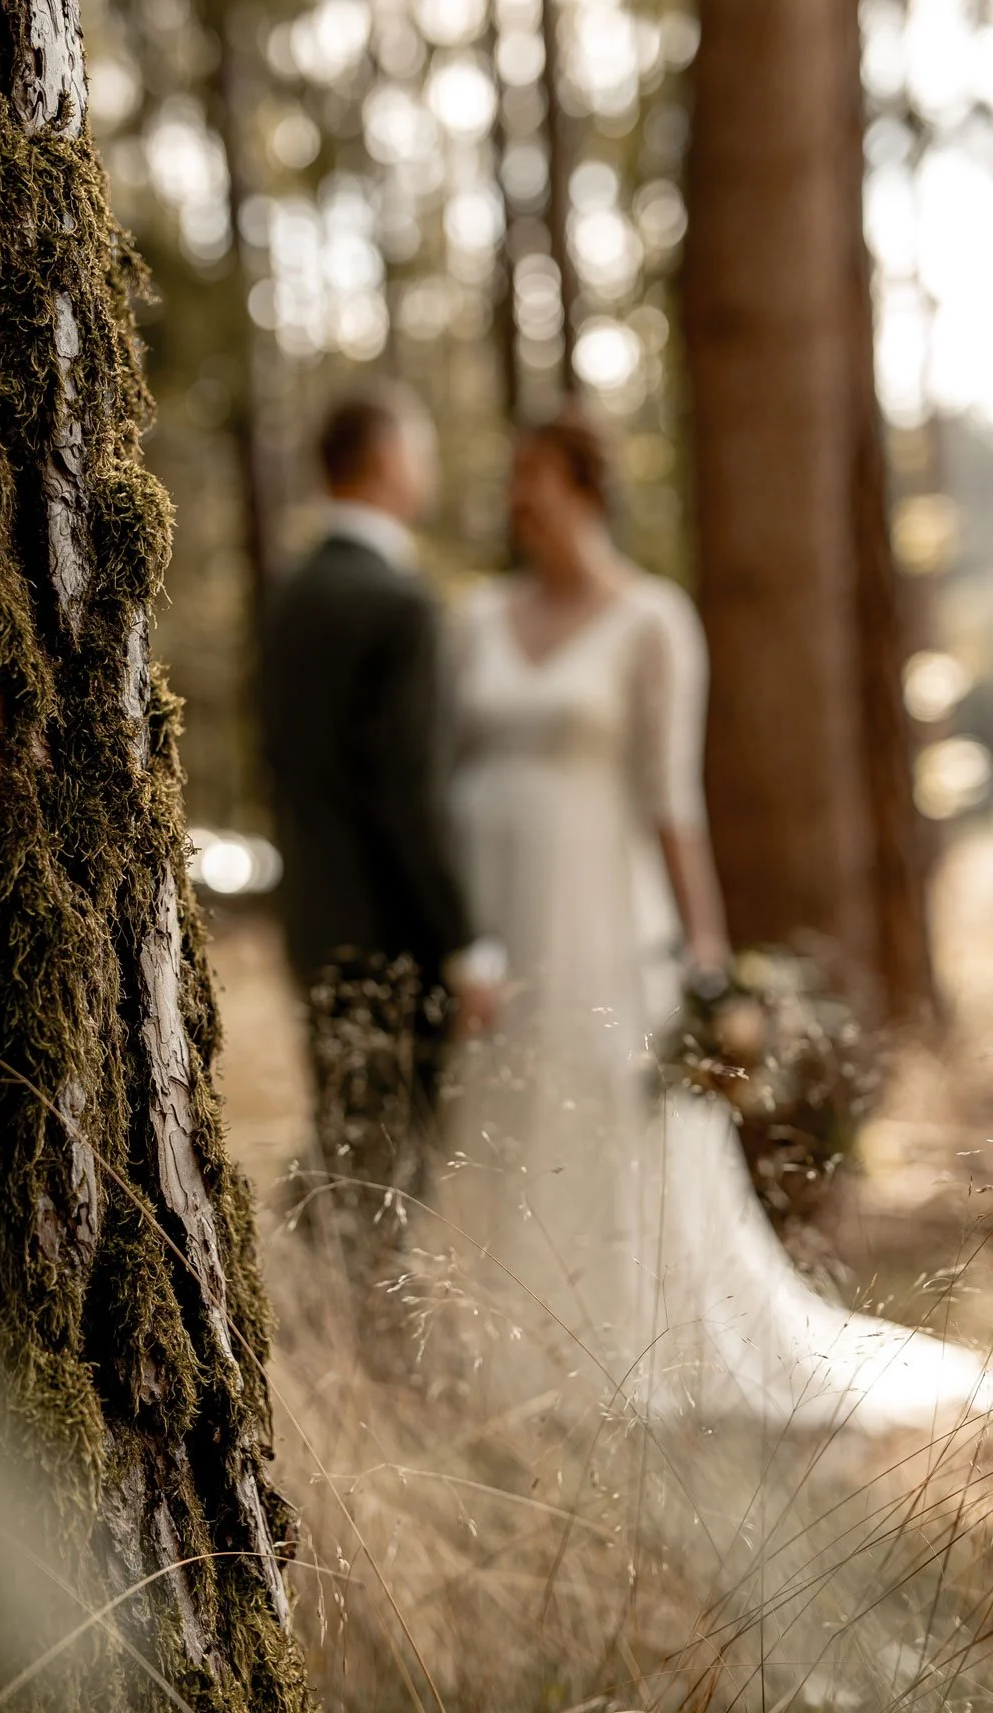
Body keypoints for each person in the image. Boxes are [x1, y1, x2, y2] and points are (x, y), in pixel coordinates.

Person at [442, 404, 991, 1435]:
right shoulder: (475, 619)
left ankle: (625, 1347)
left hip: (605, 919)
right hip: (500, 922)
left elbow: (671, 799)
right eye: (512, 477)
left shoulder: (651, 619)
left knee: (611, 1119)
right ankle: (506, 1354)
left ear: (585, 486)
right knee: (508, 1115)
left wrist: (707, 961)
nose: (518, 497)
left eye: (536, 477)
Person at [259, 384, 502, 1309]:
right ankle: (347, 1328)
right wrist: (463, 939)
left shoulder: (288, 594)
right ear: (387, 461)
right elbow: (409, 797)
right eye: (422, 452)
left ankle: (301, 1304)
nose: (426, 472)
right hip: (395, 928)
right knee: (390, 1147)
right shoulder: (400, 603)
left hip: (313, 918)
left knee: (343, 1125)